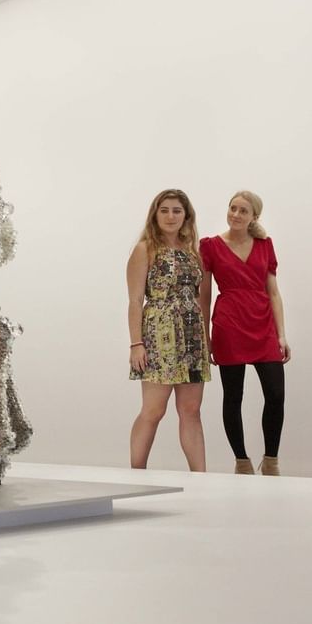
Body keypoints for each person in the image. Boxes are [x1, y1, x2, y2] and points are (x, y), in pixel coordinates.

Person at [199, 191, 289, 476]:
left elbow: (273, 292)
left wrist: (281, 335)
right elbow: (204, 295)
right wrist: (206, 336)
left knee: (275, 394)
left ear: (254, 217)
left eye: (243, 211)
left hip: (262, 322)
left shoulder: (265, 244)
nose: (236, 214)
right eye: (233, 208)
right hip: (229, 323)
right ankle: (242, 461)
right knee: (233, 395)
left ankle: (271, 460)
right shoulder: (211, 246)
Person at [128, 189, 210, 471]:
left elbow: (200, 296)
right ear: (155, 214)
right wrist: (136, 344)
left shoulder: (192, 251)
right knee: (153, 410)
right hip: (158, 336)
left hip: (191, 337)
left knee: (191, 411)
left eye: (177, 210)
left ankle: (201, 477)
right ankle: (137, 471)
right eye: (164, 210)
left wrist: (205, 341)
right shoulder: (145, 250)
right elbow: (136, 300)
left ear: (186, 215)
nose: (171, 216)